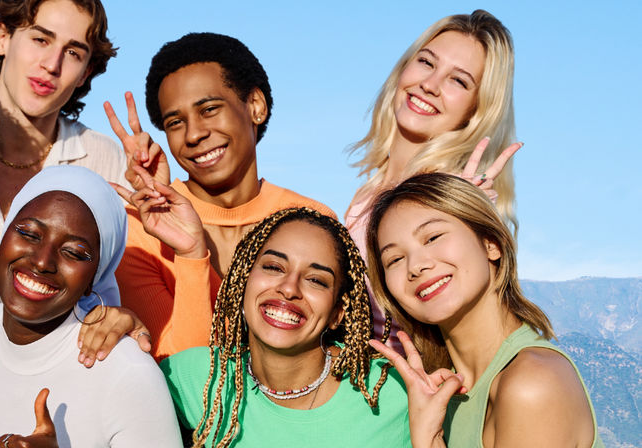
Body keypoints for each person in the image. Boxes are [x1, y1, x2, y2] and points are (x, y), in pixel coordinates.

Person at [106, 32, 336, 360]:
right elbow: (179, 368)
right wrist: (191, 256)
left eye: (210, 109)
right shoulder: (140, 230)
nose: (195, 133)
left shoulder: (313, 220)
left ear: (255, 106)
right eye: (175, 122)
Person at [0, 166, 181, 447]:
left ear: (95, 277)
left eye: (73, 252)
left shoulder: (127, 374)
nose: (42, 262)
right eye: (28, 233)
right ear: (4, 236)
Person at [366, 173, 600, 448]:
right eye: (394, 259)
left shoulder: (532, 384)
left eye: (433, 237)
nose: (415, 265)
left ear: (491, 243)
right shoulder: (438, 393)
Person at [0, 0, 128, 306]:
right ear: (2, 37)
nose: (52, 64)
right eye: (41, 39)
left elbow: (110, 294)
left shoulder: (105, 159)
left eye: (73, 52)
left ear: (85, 73)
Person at [344, 10, 523, 347]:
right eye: (427, 62)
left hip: (401, 389)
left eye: (459, 80)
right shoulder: (370, 190)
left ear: (476, 109)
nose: (430, 84)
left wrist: (467, 214)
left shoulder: (447, 193)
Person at [160, 207, 409, 447]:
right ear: (243, 280)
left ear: (337, 313)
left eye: (316, 280)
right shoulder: (194, 377)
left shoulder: (395, 390)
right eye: (273, 267)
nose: (289, 288)